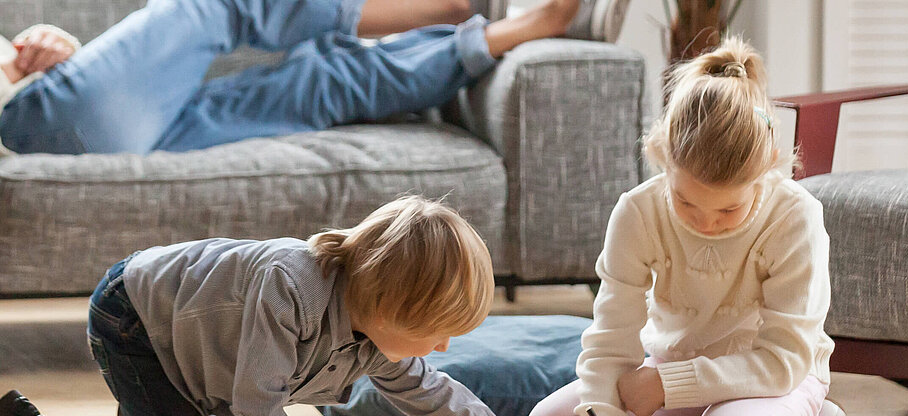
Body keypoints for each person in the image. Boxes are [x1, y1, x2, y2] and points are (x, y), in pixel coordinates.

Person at [0, 195, 611, 416]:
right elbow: (260, 395)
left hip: (200, 346)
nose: (442, 348)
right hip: (136, 319)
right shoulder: (290, 284)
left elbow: (445, 403)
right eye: (432, 332)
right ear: (386, 304)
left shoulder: (376, 332)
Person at [523, 37, 847, 416]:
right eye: (686, 203)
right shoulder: (638, 210)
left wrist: (667, 385)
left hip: (774, 381)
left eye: (729, 211)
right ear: (662, 156)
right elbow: (611, 340)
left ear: (769, 169)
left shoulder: (796, 217)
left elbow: (783, 361)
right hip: (671, 373)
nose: (706, 224)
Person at [0, 0, 630, 155]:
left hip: (61, 111)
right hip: (31, 124)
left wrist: (58, 52)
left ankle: (505, 32)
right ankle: (447, 5)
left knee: (318, 82)